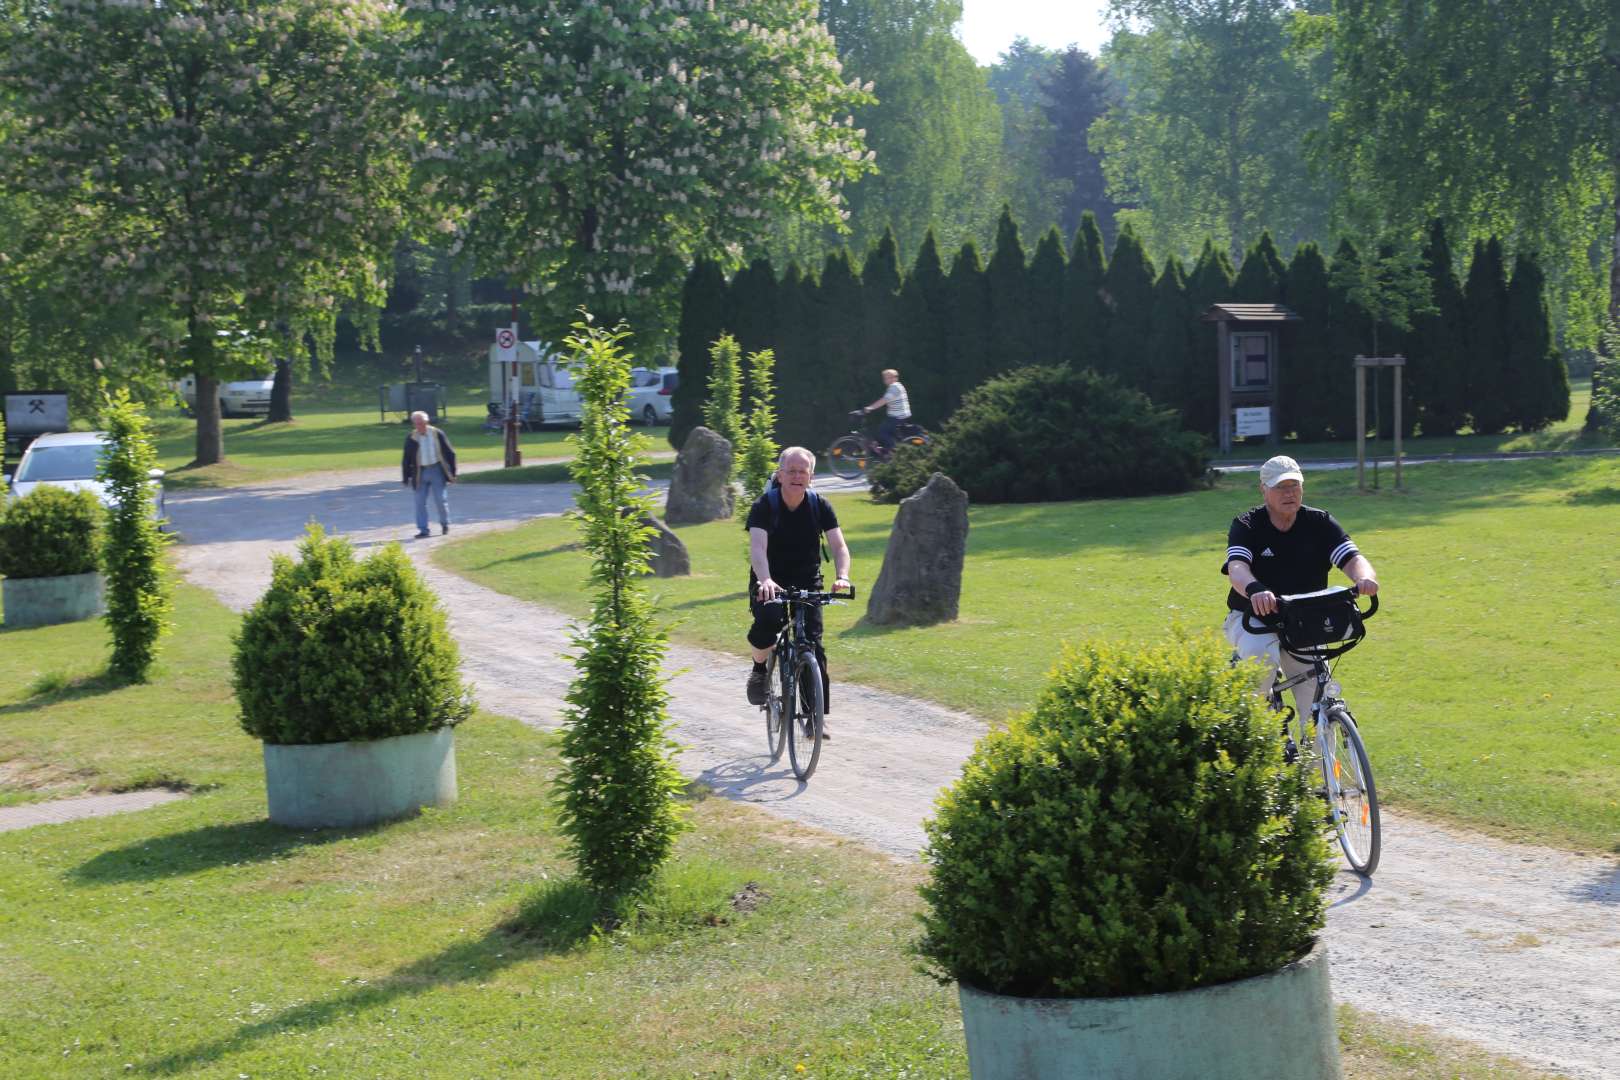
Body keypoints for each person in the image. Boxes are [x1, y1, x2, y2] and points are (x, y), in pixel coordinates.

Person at [1222, 455, 1379, 717]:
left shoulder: (1320, 522)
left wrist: (1365, 578)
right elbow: (1237, 567)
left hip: (1305, 620)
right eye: (1280, 487)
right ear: (1263, 490)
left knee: (1318, 700)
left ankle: (1321, 754)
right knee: (1259, 660)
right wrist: (1255, 589)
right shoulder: (1247, 524)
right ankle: (1260, 721)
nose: (1289, 493)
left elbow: (1352, 558)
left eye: (1294, 486)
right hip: (1253, 617)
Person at [745, 447, 852, 731]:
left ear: (811, 477)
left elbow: (839, 546)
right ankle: (759, 670)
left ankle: (814, 717)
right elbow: (757, 548)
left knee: (813, 644)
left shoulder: (820, 506)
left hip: (807, 578)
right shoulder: (764, 506)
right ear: (780, 475)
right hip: (769, 576)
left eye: (802, 471)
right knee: (768, 623)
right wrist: (765, 580)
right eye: (790, 471)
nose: (796, 476)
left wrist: (842, 576)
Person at [402, 410, 457, 538]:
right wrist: (406, 477)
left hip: (437, 469)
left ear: (426, 422)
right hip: (420, 472)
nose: (419, 426)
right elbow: (406, 458)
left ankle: (444, 524)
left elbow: (450, 453)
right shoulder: (411, 437)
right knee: (419, 502)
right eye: (416, 424)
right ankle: (423, 530)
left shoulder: (437, 433)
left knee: (440, 499)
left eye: (421, 423)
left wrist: (452, 472)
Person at [859, 368, 911, 452]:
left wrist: (870, 408)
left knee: (882, 432)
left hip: (898, 417)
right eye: (885, 377)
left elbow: (884, 400)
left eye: (889, 377)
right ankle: (887, 450)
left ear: (895, 378)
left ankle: (893, 453)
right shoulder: (897, 386)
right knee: (882, 429)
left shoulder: (895, 387)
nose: (886, 379)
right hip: (898, 416)